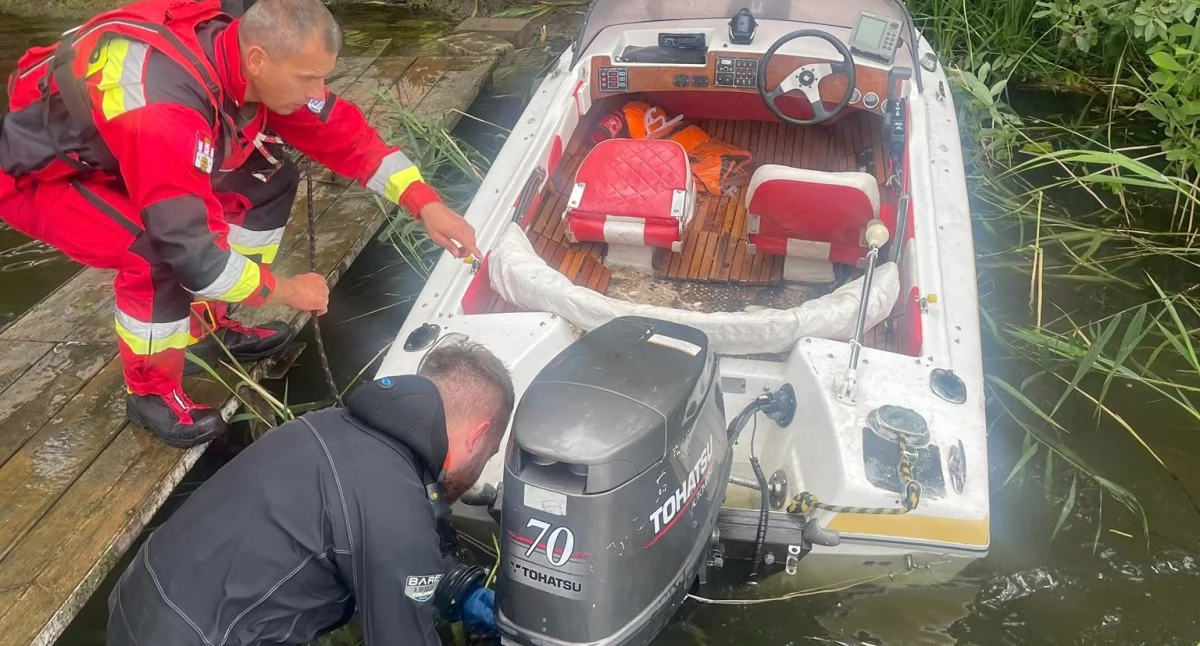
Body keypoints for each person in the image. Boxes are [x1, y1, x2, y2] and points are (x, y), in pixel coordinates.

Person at [0, 0, 483, 447]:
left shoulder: (248, 62)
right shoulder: (167, 111)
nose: (318, 93)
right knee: (153, 249)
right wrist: (289, 290)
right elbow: (191, 253)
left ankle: (208, 326)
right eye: (308, 79)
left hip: (126, 151)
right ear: (256, 60)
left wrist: (425, 204)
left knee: (267, 178)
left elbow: (342, 133)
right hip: (48, 180)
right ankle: (150, 392)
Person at [106, 339, 515, 646]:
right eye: (489, 453)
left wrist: (456, 589)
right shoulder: (396, 507)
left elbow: (367, 540)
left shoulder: (328, 425)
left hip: (139, 597)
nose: (478, 474)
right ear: (478, 435)